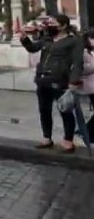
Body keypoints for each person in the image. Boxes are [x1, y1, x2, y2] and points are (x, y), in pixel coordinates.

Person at [19, 15, 82, 152]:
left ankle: (68, 140)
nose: (49, 25)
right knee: (44, 110)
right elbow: (33, 48)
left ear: (63, 26)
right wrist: (24, 39)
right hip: (43, 79)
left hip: (60, 80)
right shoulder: (47, 39)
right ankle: (47, 137)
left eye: (53, 23)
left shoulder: (73, 41)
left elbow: (78, 63)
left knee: (65, 110)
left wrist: (74, 80)